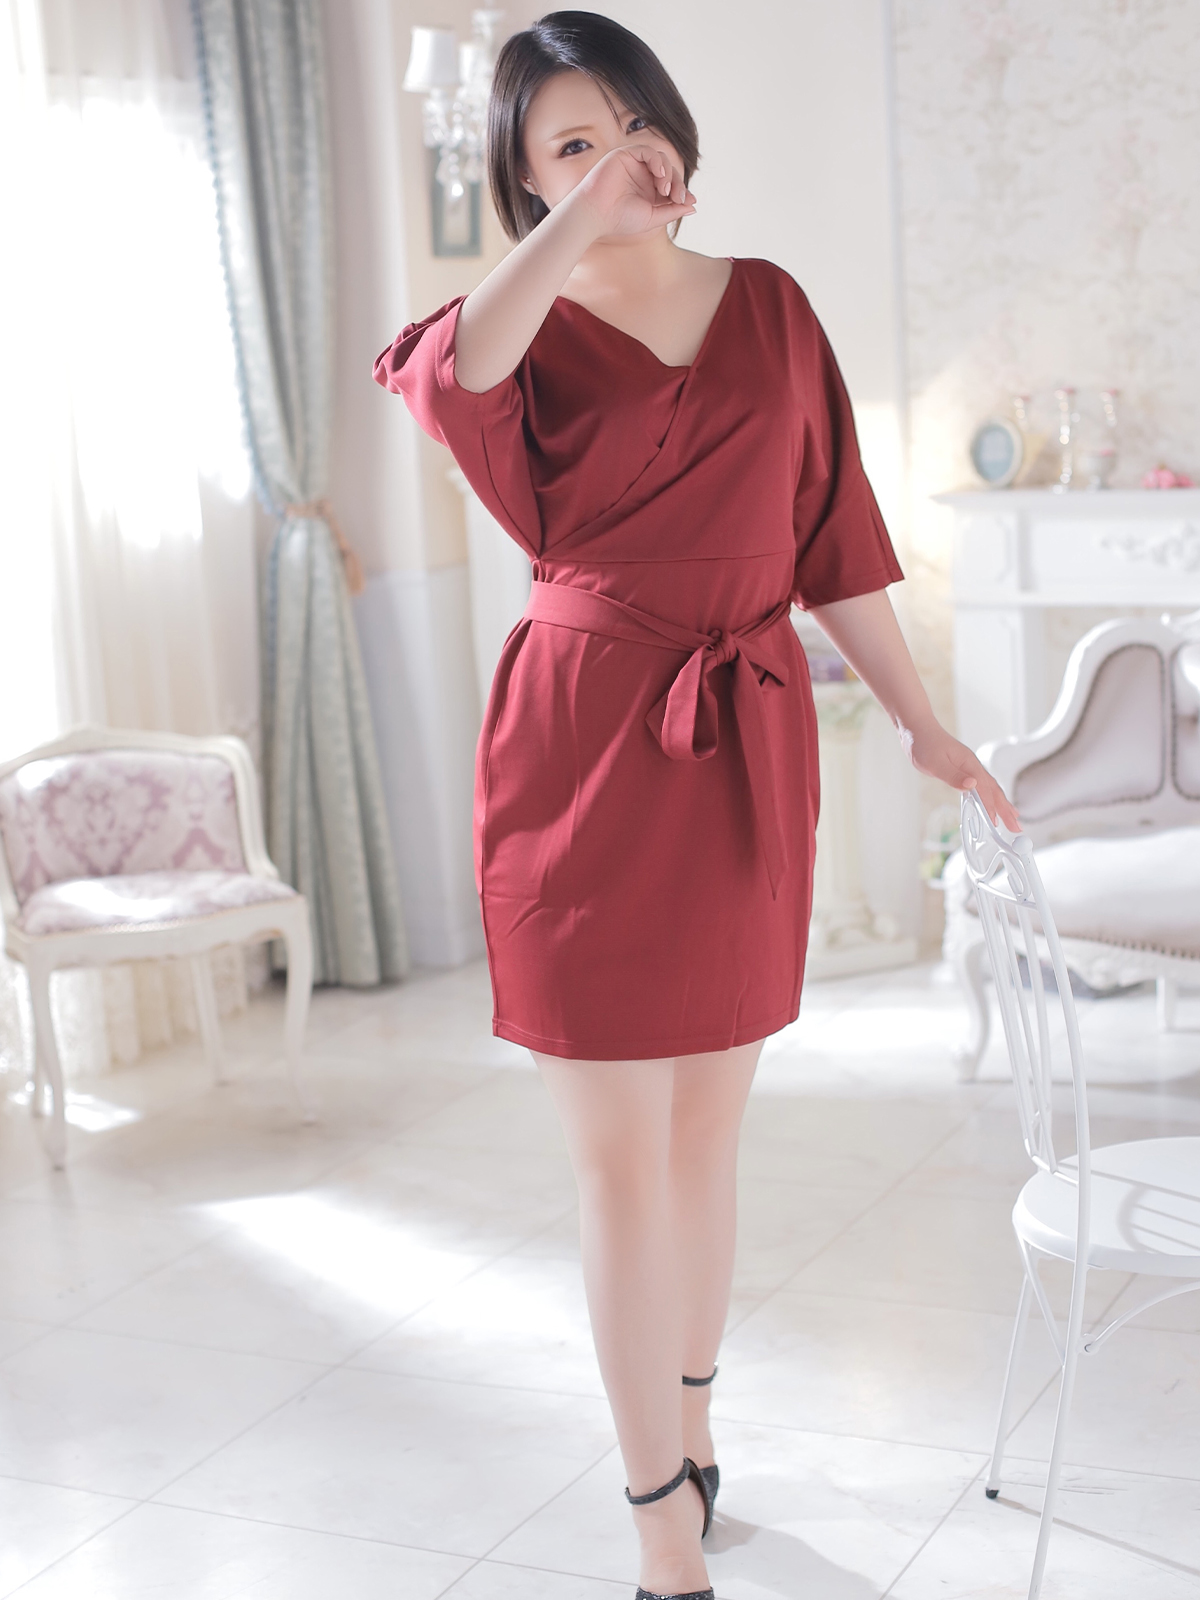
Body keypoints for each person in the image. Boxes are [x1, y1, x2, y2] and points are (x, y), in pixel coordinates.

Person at [375, 13, 1017, 1598]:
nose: (609, 161)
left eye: (623, 125)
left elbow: (837, 541)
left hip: (743, 736)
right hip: (581, 750)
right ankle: (661, 1519)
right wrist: (576, 227)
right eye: (565, 146)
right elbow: (448, 369)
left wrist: (926, 724)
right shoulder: (515, 330)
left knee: (710, 1133)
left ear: (672, 126)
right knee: (617, 1155)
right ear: (525, 185)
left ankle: (695, 1416)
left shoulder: (773, 307)